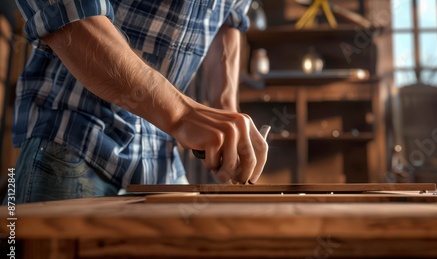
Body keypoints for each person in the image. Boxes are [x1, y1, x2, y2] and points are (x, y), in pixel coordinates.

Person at [6, 0, 268, 204]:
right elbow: (69, 13)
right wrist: (180, 113)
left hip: (161, 155)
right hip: (74, 139)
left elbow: (228, 19)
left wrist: (226, 110)